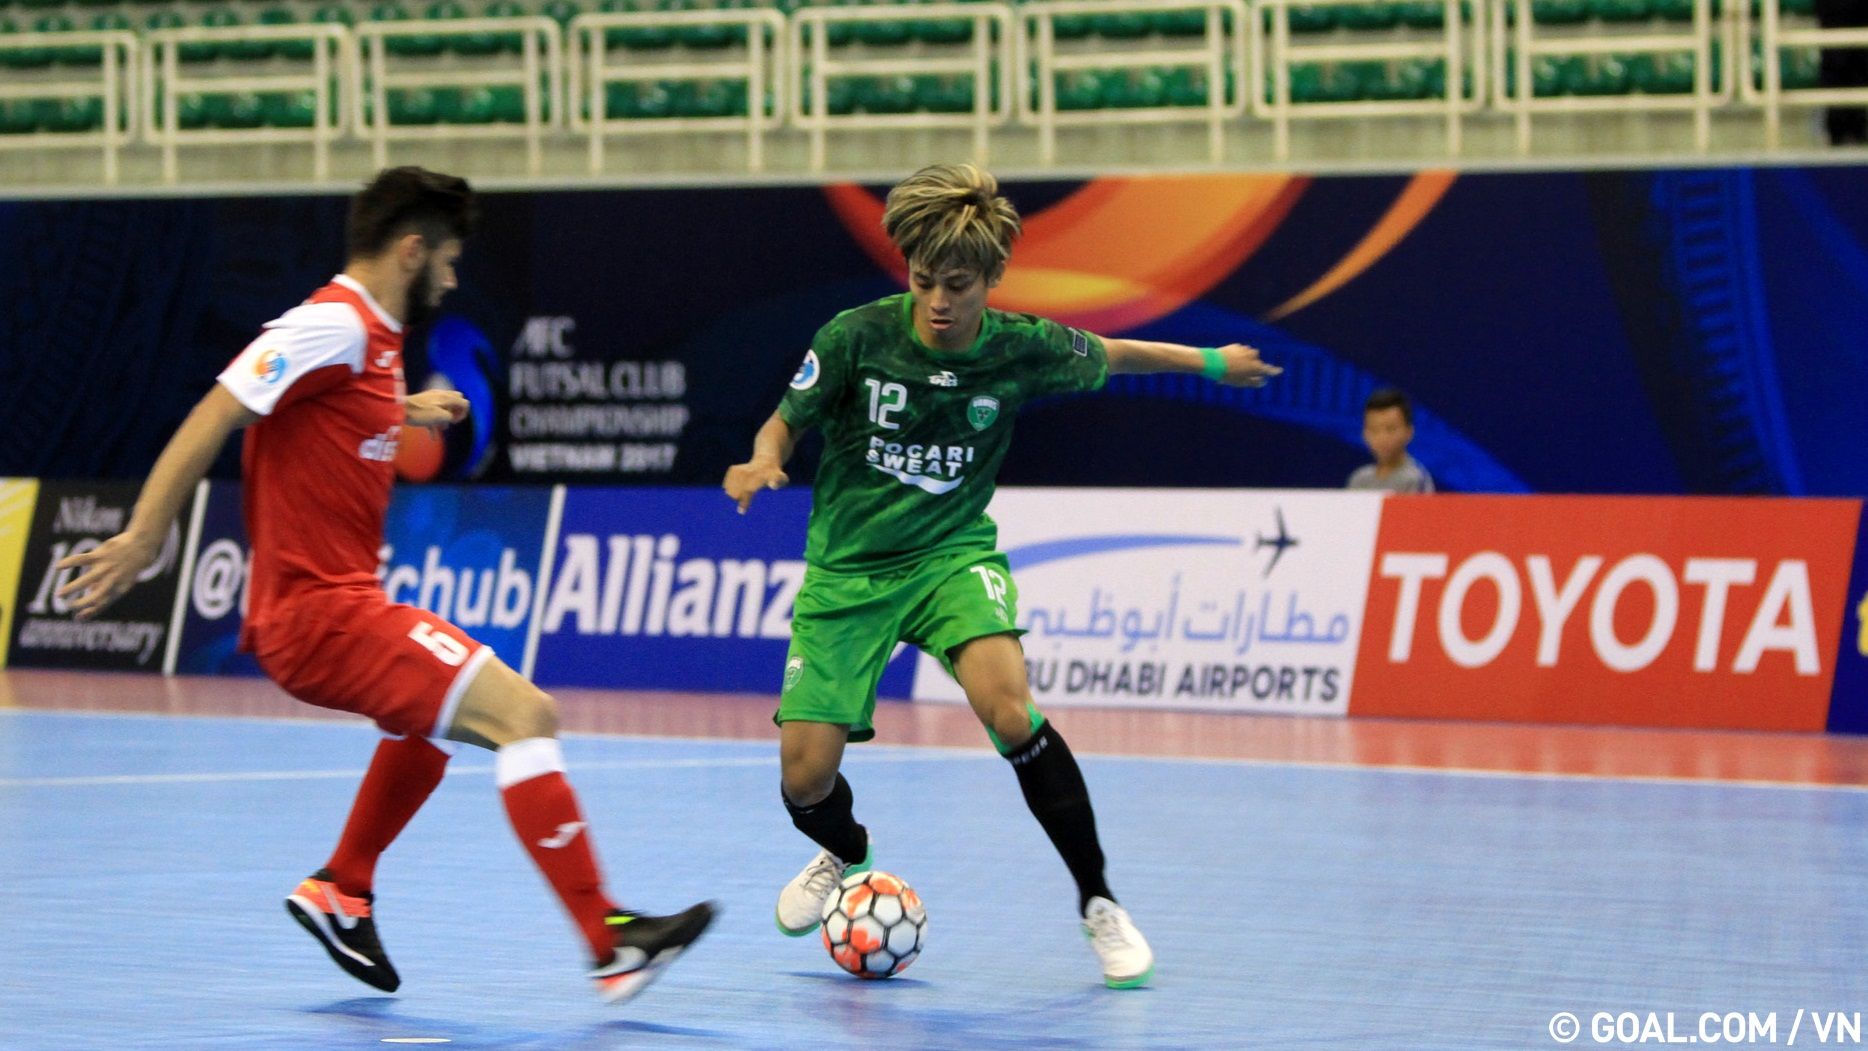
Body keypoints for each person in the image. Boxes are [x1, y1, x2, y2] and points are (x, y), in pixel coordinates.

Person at [55, 166, 712, 1004]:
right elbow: (219, 410)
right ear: (411, 250)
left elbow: (319, 408)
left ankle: (344, 886)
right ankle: (609, 942)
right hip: (320, 616)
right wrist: (146, 536)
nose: (453, 274)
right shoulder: (332, 323)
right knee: (526, 714)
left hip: (334, 611)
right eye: (447, 257)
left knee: (431, 725)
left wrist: (399, 410)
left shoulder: (364, 339)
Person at [722, 162, 1282, 989]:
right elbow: (785, 420)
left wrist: (1210, 363)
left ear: (991, 278)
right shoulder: (856, 336)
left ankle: (1100, 903)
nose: (938, 301)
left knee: (1010, 709)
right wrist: (762, 459)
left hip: (951, 555)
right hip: (848, 570)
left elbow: (1118, 352)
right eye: (924, 281)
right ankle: (846, 852)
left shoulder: (1022, 347)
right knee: (804, 779)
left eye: (958, 284)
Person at [1346, 388, 1434, 493]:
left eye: (1391, 429)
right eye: (1374, 430)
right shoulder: (1359, 479)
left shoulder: (1416, 478)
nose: (1382, 438)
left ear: (1409, 432)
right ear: (1365, 434)